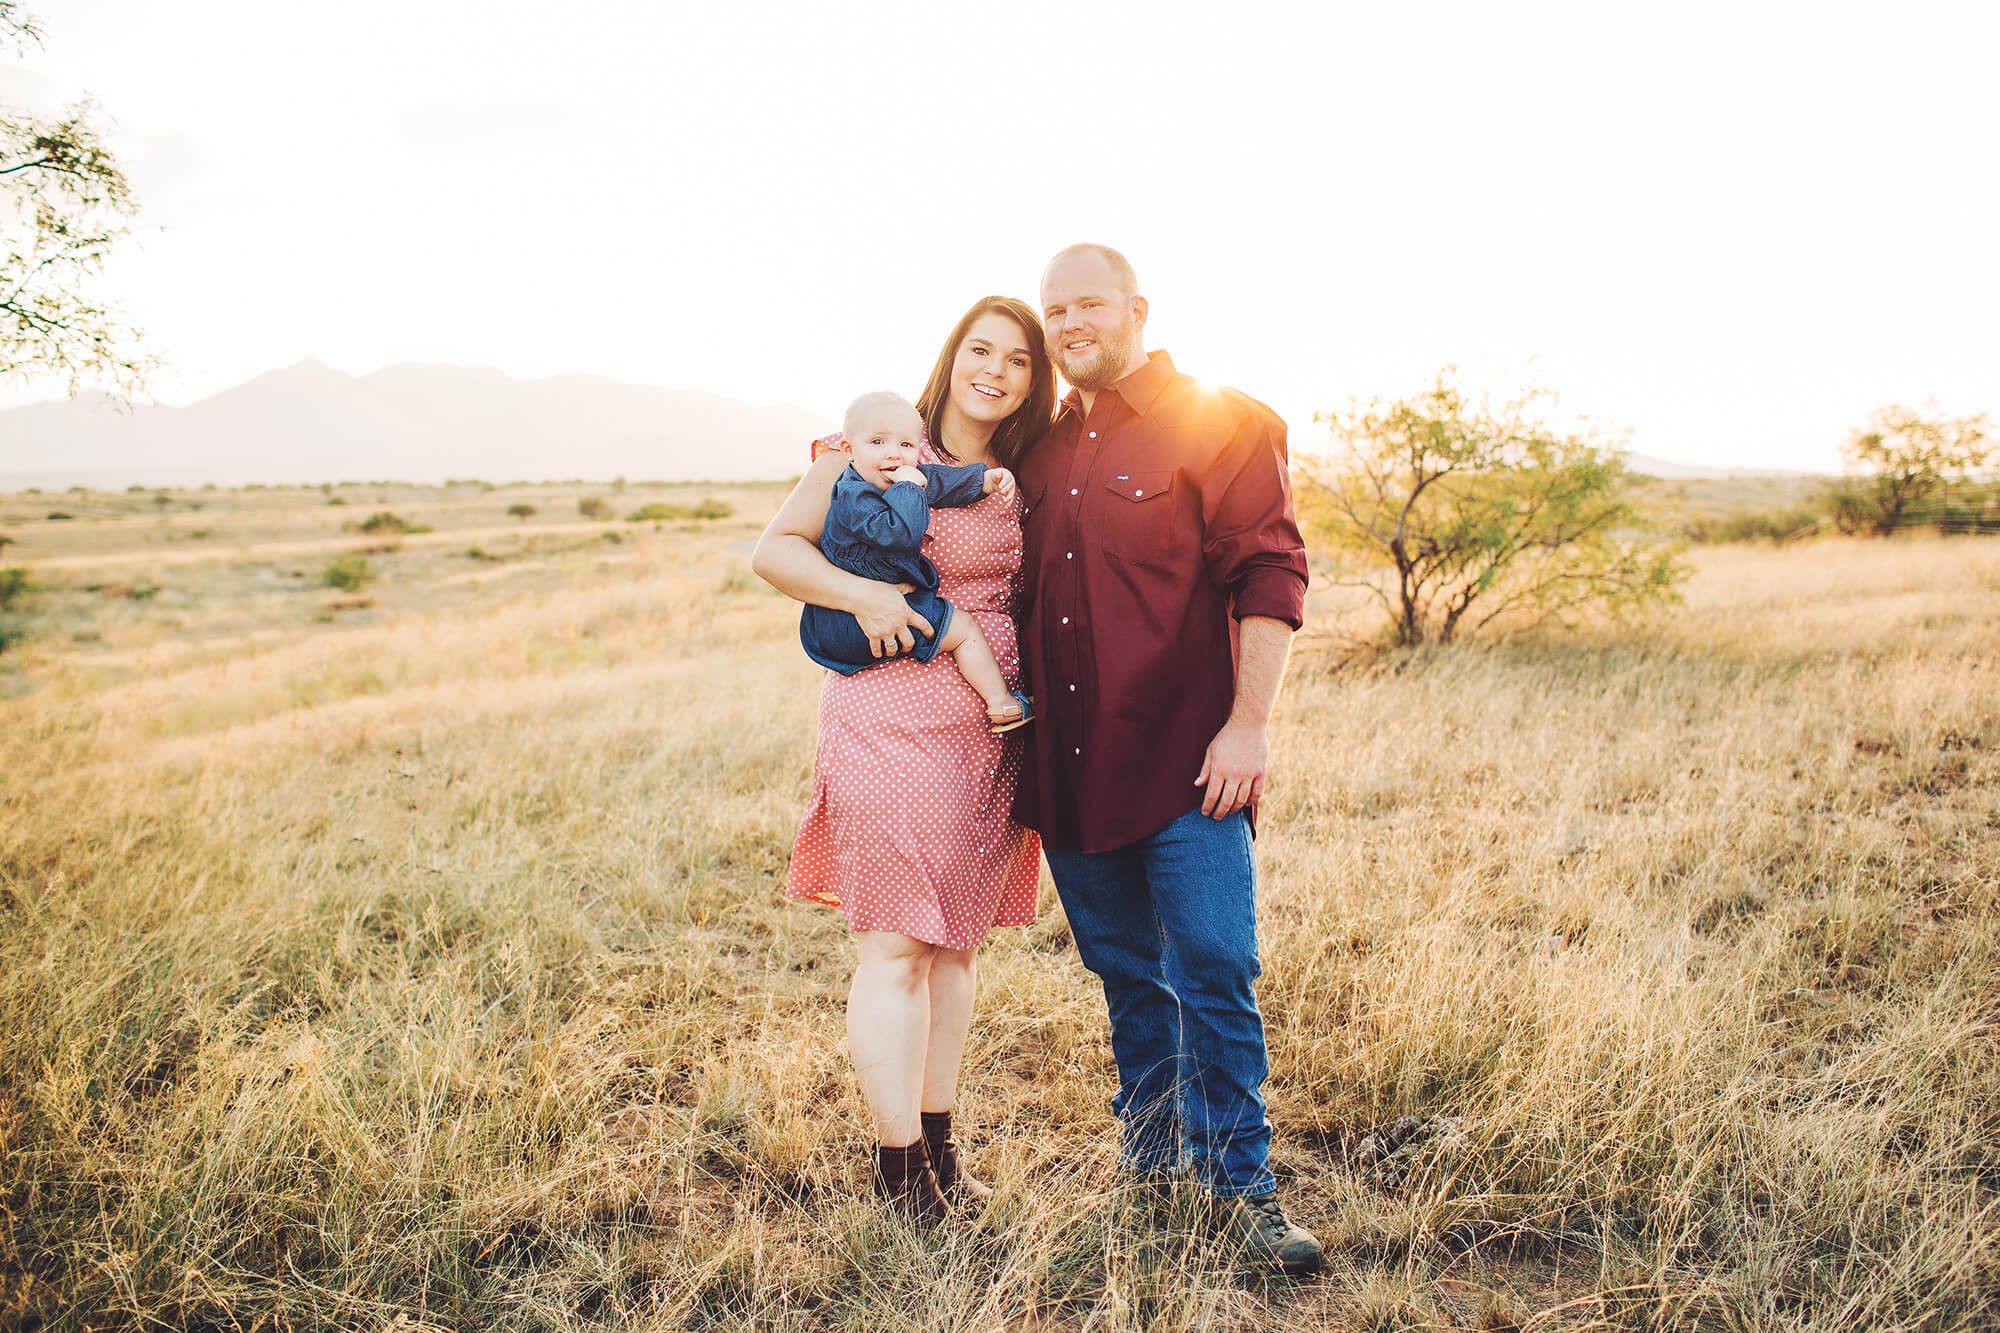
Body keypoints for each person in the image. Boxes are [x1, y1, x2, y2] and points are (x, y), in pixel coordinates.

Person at [1016, 243, 1323, 1274]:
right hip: (1066, 771)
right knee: (1123, 975)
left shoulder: (1221, 421)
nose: (1068, 323)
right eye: (1053, 308)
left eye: (1087, 303)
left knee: (1214, 968)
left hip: (1189, 766)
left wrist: (1248, 724)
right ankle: (1150, 1170)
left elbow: (1270, 573)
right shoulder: (1037, 448)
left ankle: (1241, 1192)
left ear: (1136, 307)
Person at [751, 295, 1055, 1221]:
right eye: (980, 350)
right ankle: (897, 1177)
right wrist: (866, 598)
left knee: (955, 943)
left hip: (986, 725)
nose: (996, 371)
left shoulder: (1028, 471)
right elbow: (775, 552)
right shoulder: (877, 450)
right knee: (895, 942)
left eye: (1017, 359)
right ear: (952, 356)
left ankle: (941, 1157)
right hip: (888, 706)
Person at [800, 389, 1033, 734]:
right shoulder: (853, 496)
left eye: (906, 446)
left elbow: (936, 480)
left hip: (873, 609)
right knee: (964, 629)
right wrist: (909, 486)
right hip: (848, 623)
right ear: (849, 450)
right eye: (878, 442)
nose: (894, 454)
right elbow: (899, 533)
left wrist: (983, 480)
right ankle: (1002, 703)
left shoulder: (893, 474)